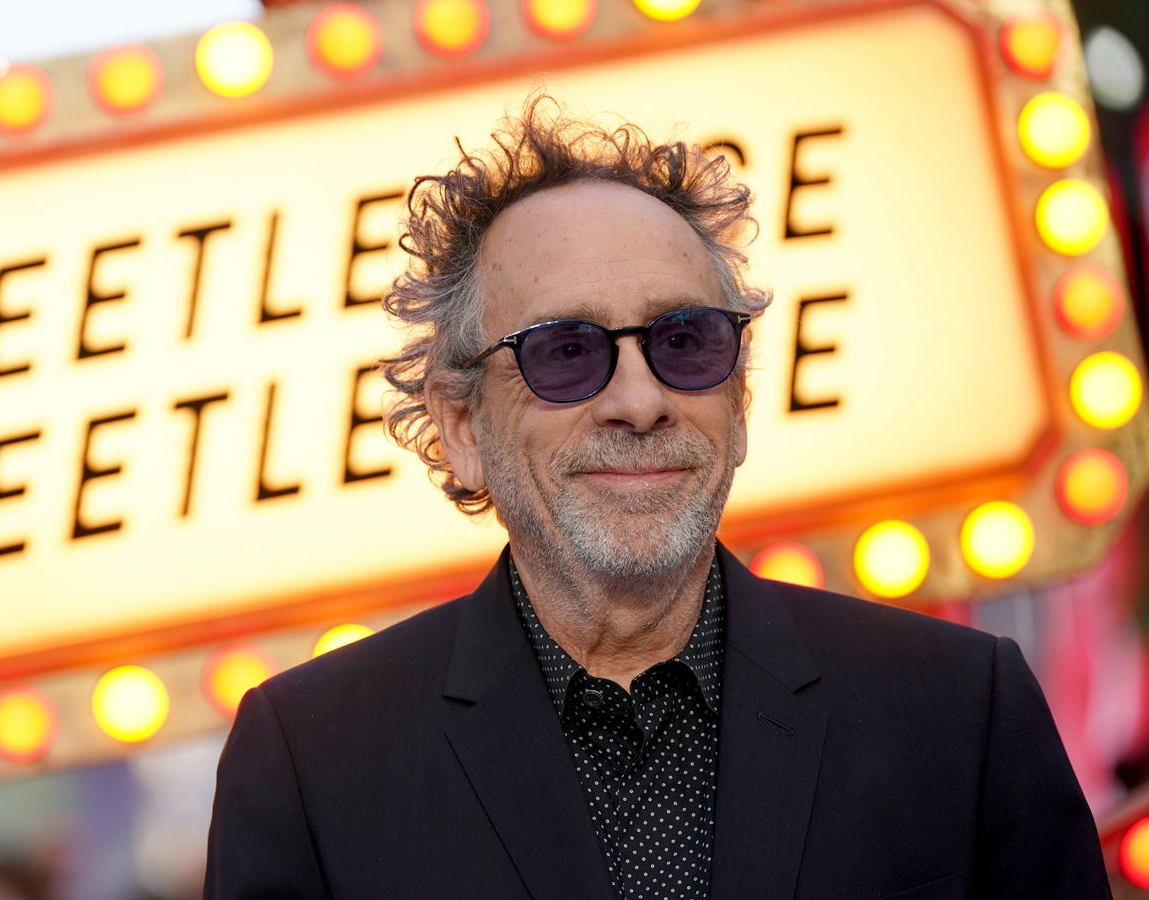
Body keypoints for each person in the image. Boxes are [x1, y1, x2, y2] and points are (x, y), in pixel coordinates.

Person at [203, 97, 1110, 898]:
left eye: (685, 342)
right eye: (565, 352)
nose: (639, 402)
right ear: (461, 425)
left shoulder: (958, 710)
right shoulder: (311, 760)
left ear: (740, 400)